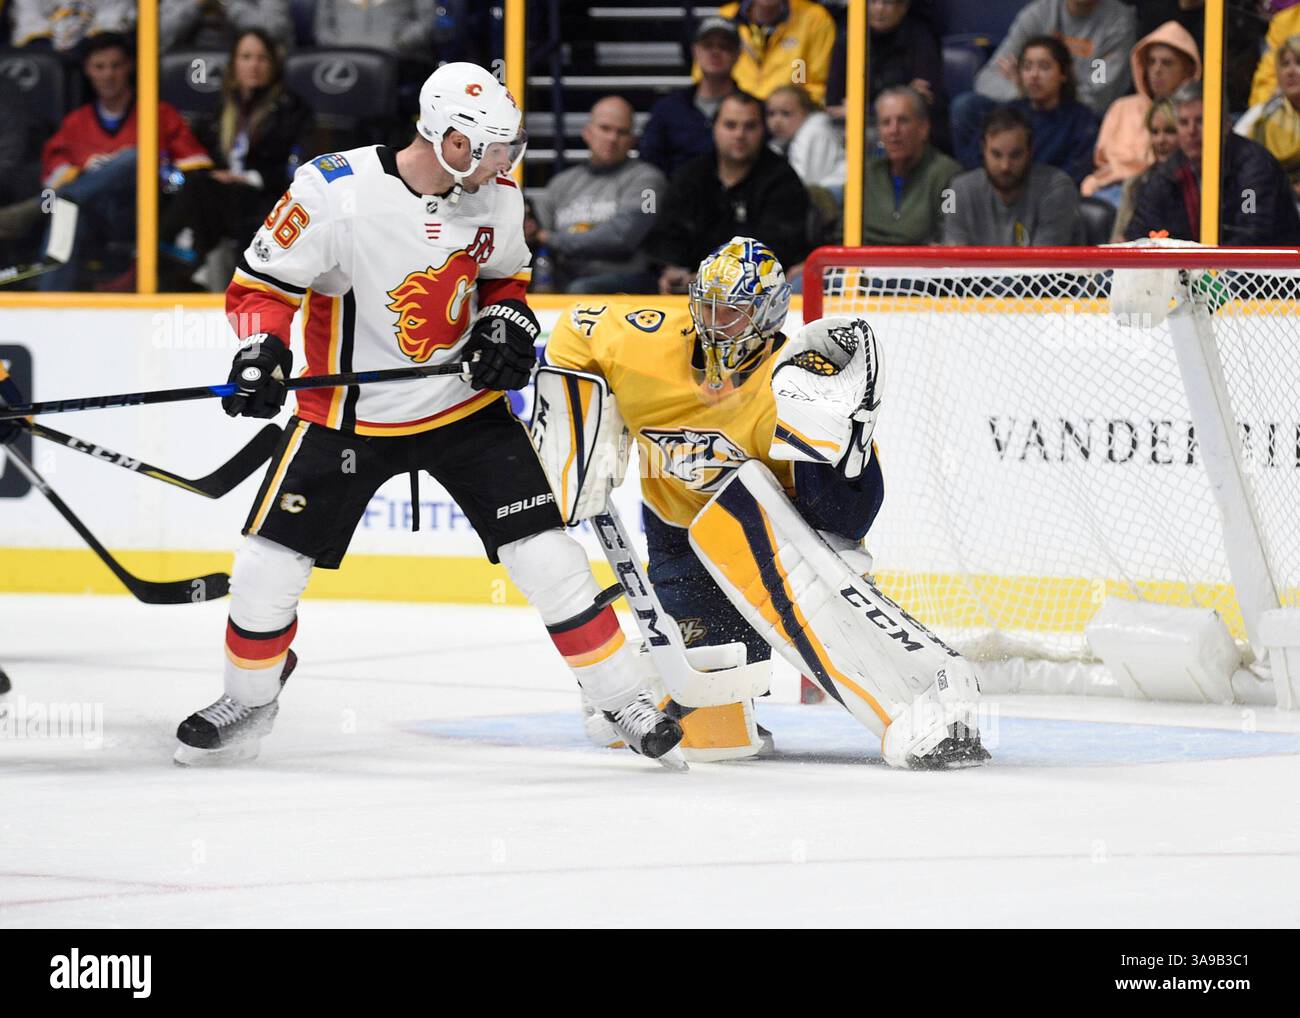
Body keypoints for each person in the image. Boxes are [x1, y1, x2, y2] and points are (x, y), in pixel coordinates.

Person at [173, 63, 684, 768]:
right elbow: (262, 286)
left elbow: (507, 279)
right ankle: (250, 696)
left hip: (460, 407)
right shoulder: (333, 192)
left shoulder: (496, 194)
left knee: (549, 557)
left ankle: (620, 694)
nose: (507, 163)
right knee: (266, 569)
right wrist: (262, 352)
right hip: (348, 415)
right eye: (493, 148)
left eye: (510, 148)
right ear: (448, 138)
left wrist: (504, 324)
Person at [541, 237, 989, 769]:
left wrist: (852, 447)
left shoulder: (795, 381)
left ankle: (911, 705)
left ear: (768, 313)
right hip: (677, 537)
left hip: (777, 540)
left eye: (728, 312)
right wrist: (583, 414)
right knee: (717, 738)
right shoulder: (641, 342)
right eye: (704, 306)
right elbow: (575, 327)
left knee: (749, 504)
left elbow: (845, 518)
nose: (712, 323)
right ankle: (630, 682)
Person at [0, 33, 212, 290]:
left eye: (115, 65)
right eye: (99, 67)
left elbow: (193, 168)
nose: (108, 75)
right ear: (88, 70)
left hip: (144, 212)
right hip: (94, 216)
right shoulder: (76, 123)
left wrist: (147, 169)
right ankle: (51, 305)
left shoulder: (159, 115)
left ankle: (36, 208)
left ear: (129, 67)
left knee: (135, 157)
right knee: (69, 211)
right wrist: (88, 172)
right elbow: (53, 170)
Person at [158, 28, 313, 291]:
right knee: (193, 187)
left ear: (273, 65)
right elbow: (204, 152)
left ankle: (174, 258)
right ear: (234, 64)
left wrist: (247, 177)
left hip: (267, 195)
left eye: (262, 58)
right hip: (222, 192)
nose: (254, 65)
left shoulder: (292, 107)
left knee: (199, 192)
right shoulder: (223, 107)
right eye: (246, 57)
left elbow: (298, 165)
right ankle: (187, 261)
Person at [647, 92, 809, 294]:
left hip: (758, 294)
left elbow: (779, 248)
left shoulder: (782, 179)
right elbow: (668, 233)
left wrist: (713, 276)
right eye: (730, 125)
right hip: (688, 290)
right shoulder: (691, 175)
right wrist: (671, 269)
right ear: (714, 128)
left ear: (763, 131)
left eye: (749, 126)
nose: (739, 134)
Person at [1125, 80, 1300, 243]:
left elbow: (1253, 233)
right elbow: (1139, 230)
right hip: (1197, 271)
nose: (1191, 131)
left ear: (1225, 124)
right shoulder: (1170, 171)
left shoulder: (1254, 168)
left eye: (1201, 121)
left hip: (1262, 273)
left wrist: (1203, 271)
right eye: (1184, 123)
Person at [525, 95, 666, 294]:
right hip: (564, 277)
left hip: (627, 281)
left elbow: (623, 238)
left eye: (622, 132)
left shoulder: (650, 184)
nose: (612, 138)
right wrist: (532, 232)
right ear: (587, 132)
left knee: (579, 289)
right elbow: (537, 231)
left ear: (633, 140)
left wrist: (551, 239)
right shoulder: (560, 184)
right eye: (605, 128)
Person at [952, 0, 1136, 146]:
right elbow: (988, 78)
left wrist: (1049, 94)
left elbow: (1099, 95)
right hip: (1027, 107)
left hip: (1074, 116)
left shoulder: (1116, 23)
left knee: (1083, 122)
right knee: (967, 107)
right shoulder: (1039, 14)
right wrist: (1024, 93)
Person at [1083, 21, 1200, 206]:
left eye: (1167, 63)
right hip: (1109, 191)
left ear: (1189, 70)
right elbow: (1101, 161)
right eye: (1151, 62)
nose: (1156, 70)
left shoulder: (1197, 115)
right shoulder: (1121, 107)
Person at [953, 36, 1100, 184]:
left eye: (1044, 67)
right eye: (1027, 67)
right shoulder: (1009, 112)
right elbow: (976, 160)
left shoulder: (1081, 120)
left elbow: (1074, 174)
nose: (1034, 75)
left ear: (1063, 73)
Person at [942, 106, 1085, 246]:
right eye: (996, 154)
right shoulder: (958, 190)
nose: (1005, 166)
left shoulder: (1056, 188)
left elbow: (1044, 265)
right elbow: (954, 259)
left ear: (1030, 151)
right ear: (983, 149)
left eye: (1015, 155)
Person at [640, 17, 750, 179]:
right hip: (677, 200)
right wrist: (650, 204)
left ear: (738, 54)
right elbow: (648, 168)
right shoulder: (667, 110)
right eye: (707, 45)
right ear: (695, 51)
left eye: (724, 46)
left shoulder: (753, 110)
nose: (715, 52)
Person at [863, 86, 959, 245]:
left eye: (903, 120)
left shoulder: (948, 175)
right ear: (879, 132)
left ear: (923, 128)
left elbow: (948, 234)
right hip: (865, 264)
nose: (894, 130)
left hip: (921, 266)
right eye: (886, 122)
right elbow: (842, 234)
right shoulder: (865, 174)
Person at [706, 0, 837, 104]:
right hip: (735, 117)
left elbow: (818, 85)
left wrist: (795, 105)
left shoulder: (814, 18)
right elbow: (704, 77)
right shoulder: (724, 18)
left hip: (791, 119)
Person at [1236, 34, 1300, 201]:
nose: (1290, 71)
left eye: (1298, 63)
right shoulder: (1260, 115)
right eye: (1285, 64)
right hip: (1270, 200)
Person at [1111, 99, 1180, 240]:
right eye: (1155, 132)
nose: (1160, 140)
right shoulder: (1135, 184)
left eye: (1170, 131)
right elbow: (1119, 242)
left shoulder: (1200, 184)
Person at [765, 84, 845, 194]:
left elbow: (801, 181)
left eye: (786, 113)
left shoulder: (814, 131)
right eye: (771, 114)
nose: (776, 121)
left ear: (806, 111)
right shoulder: (780, 142)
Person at [9, 0, 134, 56]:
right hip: (47, 62)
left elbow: (110, 27)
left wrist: (80, 52)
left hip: (94, 60)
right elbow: (29, 25)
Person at [160, 0, 293, 51]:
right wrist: (196, 4)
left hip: (247, 62)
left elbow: (277, 30)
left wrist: (228, 4)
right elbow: (159, 35)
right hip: (186, 60)